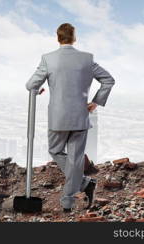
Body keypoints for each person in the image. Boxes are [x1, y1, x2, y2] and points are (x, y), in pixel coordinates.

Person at [25, 23, 115, 212]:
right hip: (81, 116)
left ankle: (73, 196)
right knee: (75, 159)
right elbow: (109, 79)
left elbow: (31, 84)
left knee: (56, 151)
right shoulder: (87, 59)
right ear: (75, 38)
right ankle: (80, 187)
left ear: (58, 38)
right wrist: (96, 102)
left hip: (58, 117)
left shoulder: (48, 59)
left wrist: (38, 89)